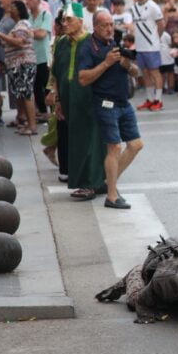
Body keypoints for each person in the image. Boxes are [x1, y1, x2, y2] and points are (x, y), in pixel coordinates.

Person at [78, 11, 143, 210]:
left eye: (111, 25)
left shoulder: (114, 43)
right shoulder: (87, 47)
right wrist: (106, 63)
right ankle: (112, 196)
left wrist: (127, 64)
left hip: (123, 102)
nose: (109, 29)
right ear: (95, 27)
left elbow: (136, 72)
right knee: (114, 148)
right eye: (105, 25)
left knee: (136, 145)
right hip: (105, 103)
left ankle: (108, 182)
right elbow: (83, 78)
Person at [49, 2, 107, 200]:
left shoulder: (91, 43)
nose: (64, 23)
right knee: (76, 141)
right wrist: (57, 100)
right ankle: (87, 181)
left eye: (68, 19)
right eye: (63, 20)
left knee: (91, 141)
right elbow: (56, 72)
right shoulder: (62, 43)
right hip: (68, 98)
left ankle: (92, 183)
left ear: (81, 21)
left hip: (89, 98)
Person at [0, 0, 38, 136]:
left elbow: (19, 42)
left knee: (27, 93)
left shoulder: (23, 24)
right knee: (21, 93)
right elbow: (9, 44)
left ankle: (32, 125)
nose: (9, 9)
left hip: (24, 63)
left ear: (18, 10)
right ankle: (24, 121)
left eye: (12, 7)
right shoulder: (16, 26)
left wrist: (0, 35)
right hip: (16, 64)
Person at [130, 0, 166, 111]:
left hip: (152, 47)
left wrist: (156, 38)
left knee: (155, 72)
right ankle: (150, 99)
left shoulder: (152, 6)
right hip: (140, 47)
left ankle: (159, 100)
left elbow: (161, 24)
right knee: (145, 73)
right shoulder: (133, 7)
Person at [27, 0, 53, 121]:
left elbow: (42, 34)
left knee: (47, 85)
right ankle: (43, 112)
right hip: (31, 57)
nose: (28, 2)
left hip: (44, 56)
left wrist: (30, 32)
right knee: (36, 86)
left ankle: (53, 111)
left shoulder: (45, 15)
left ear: (38, 0)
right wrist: (34, 32)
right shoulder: (28, 17)